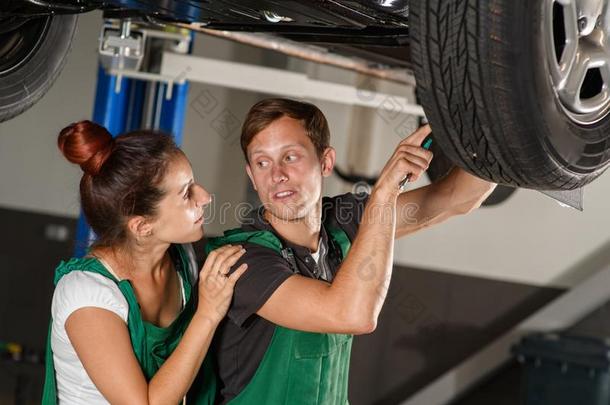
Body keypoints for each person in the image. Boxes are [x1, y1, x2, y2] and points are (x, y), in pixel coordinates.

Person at [207, 98, 497, 404]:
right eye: (262, 162)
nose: (276, 174)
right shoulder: (243, 260)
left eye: (290, 157)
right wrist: (384, 194)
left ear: (326, 161)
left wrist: (510, 129)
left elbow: (457, 197)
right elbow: (352, 315)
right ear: (251, 175)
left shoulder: (343, 221)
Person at [42, 120, 248, 405]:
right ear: (142, 226)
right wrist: (208, 314)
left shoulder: (181, 260)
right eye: (187, 192)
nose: (205, 197)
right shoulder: (86, 295)